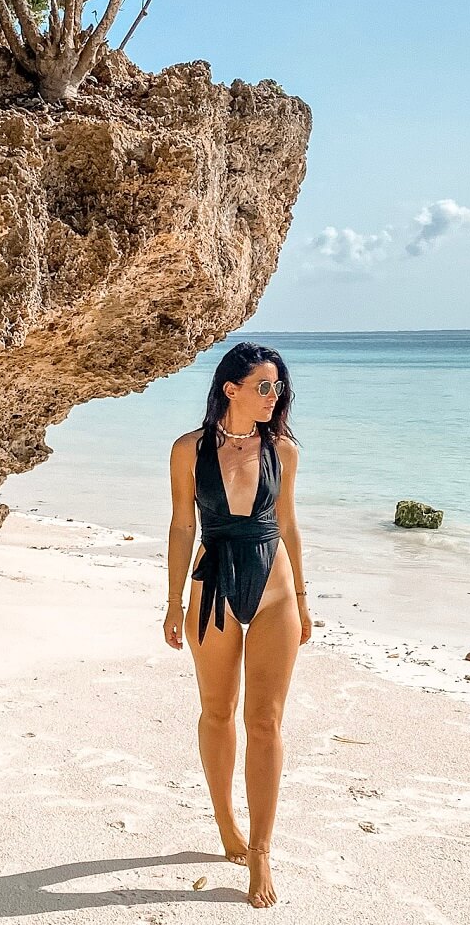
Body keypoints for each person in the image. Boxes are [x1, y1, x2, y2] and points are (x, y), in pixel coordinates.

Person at [163, 341, 310, 909]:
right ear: (231, 389)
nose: (275, 397)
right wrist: (172, 601)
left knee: (266, 722)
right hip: (212, 594)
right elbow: (181, 528)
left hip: (274, 596)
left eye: (279, 388)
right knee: (218, 711)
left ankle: (262, 851)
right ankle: (226, 823)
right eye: (264, 387)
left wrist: (302, 596)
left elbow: (290, 525)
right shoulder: (188, 450)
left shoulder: (284, 451)